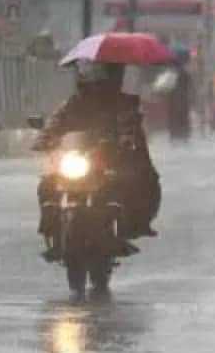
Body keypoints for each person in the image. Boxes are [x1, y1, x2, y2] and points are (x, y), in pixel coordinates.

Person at [33, 62, 161, 260]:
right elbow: (56, 122)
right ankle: (52, 231)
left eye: (96, 77)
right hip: (77, 160)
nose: (92, 82)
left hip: (108, 162)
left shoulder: (122, 104)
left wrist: (126, 139)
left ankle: (121, 230)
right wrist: (44, 139)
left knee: (127, 183)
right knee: (47, 184)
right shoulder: (74, 103)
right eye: (87, 77)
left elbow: (130, 125)